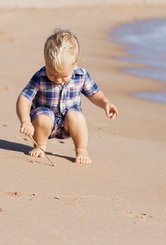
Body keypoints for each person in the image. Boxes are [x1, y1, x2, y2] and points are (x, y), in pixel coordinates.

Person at [16, 28, 118, 164]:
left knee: (76, 115)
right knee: (43, 117)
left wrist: (105, 103)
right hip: (46, 123)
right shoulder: (40, 76)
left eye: (64, 76)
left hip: (69, 124)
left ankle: (81, 150)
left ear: (74, 64)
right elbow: (24, 99)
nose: (57, 79)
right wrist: (25, 121)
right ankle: (40, 146)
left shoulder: (81, 75)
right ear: (46, 63)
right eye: (52, 74)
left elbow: (94, 94)